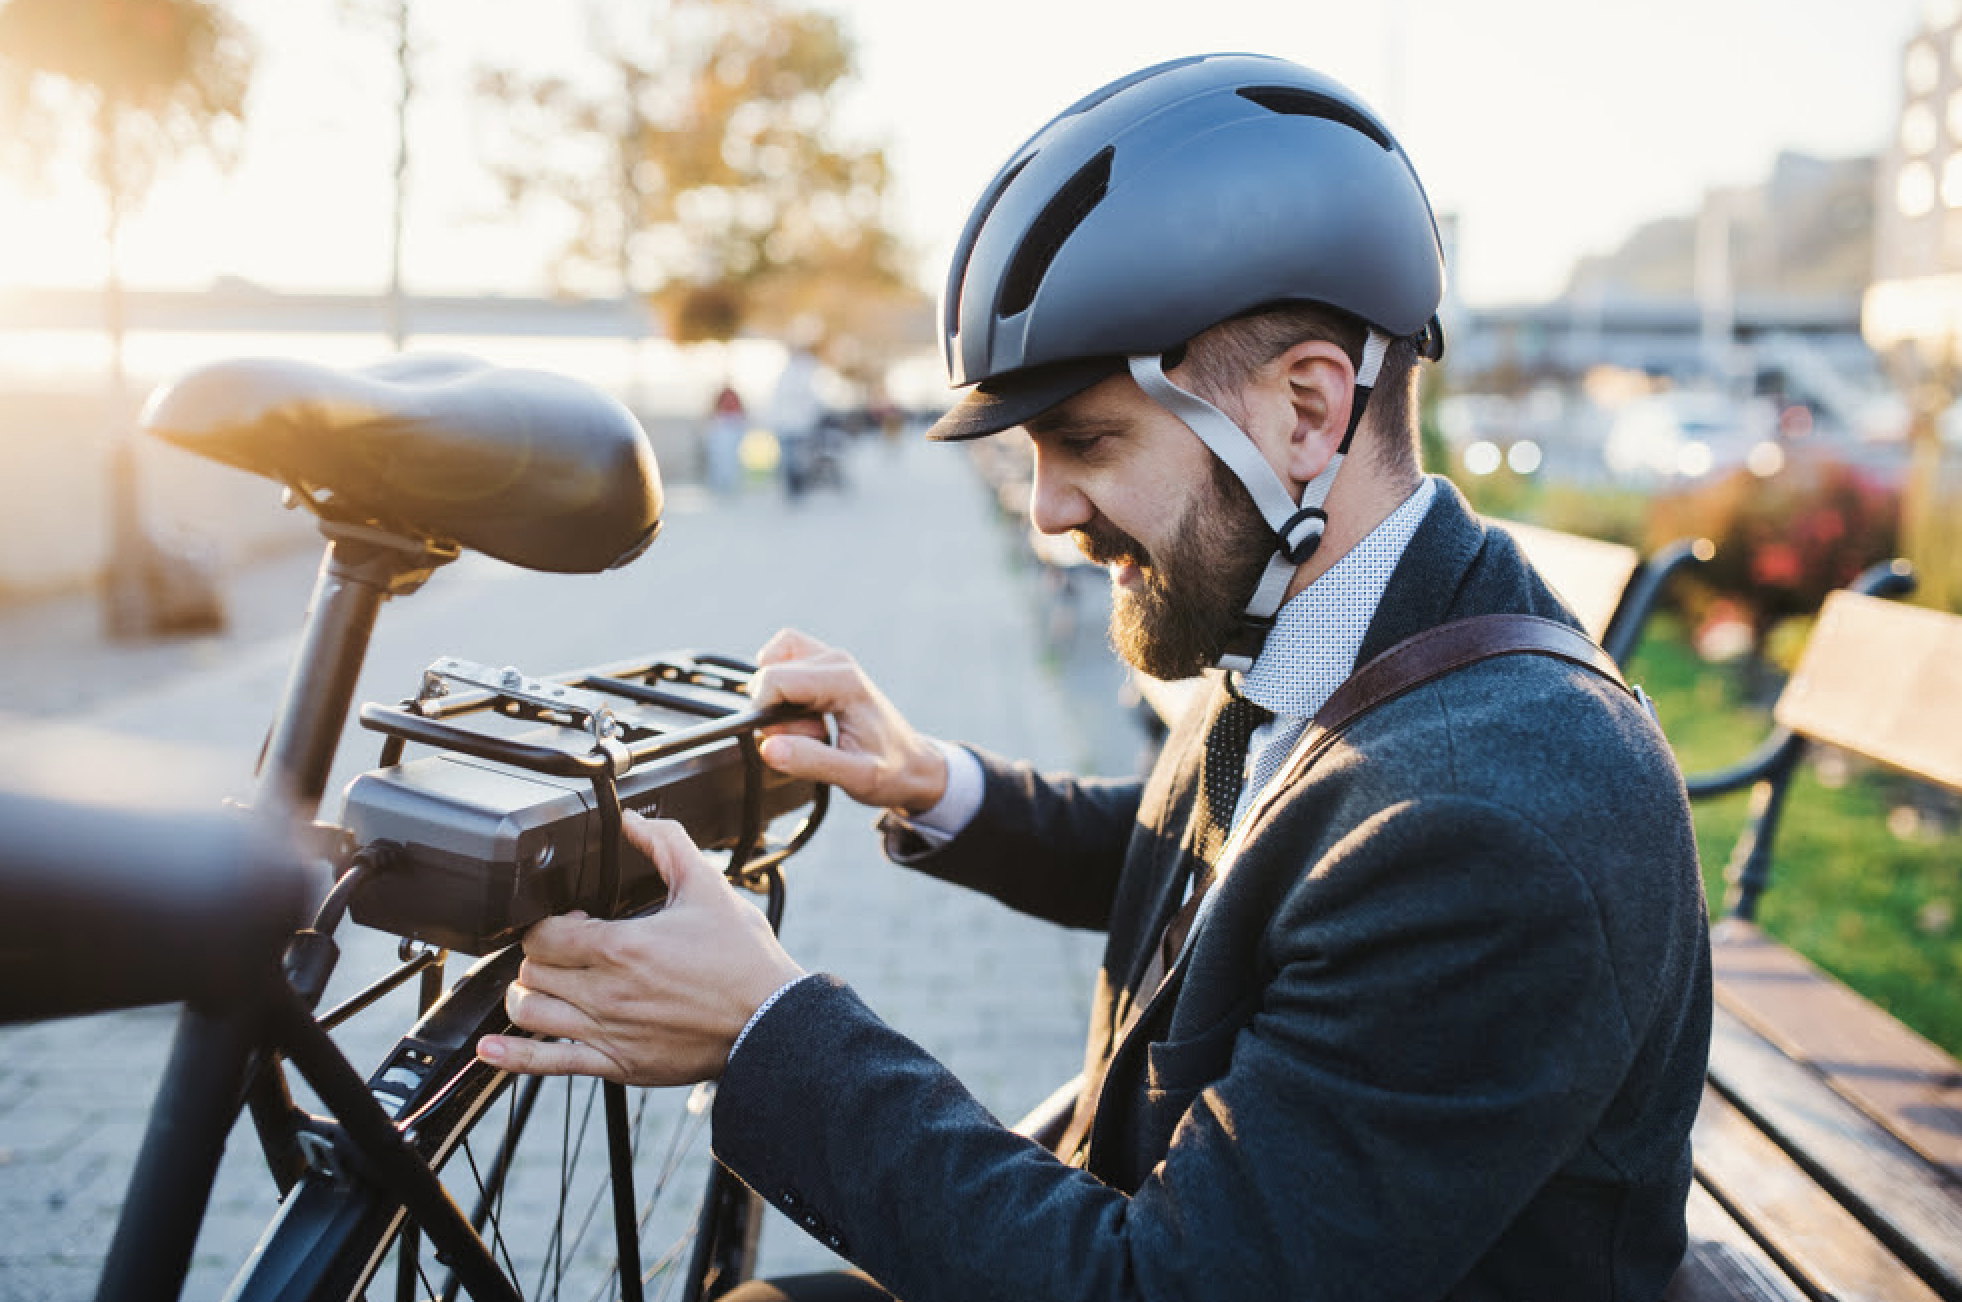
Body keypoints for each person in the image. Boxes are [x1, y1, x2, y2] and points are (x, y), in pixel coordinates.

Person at [476, 53, 1712, 1301]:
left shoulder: (1491, 821)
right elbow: (1235, 869)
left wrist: (763, 1026)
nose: (1048, 514)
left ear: (1306, 412)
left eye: (1087, 442)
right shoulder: (1343, 625)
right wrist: (933, 781)